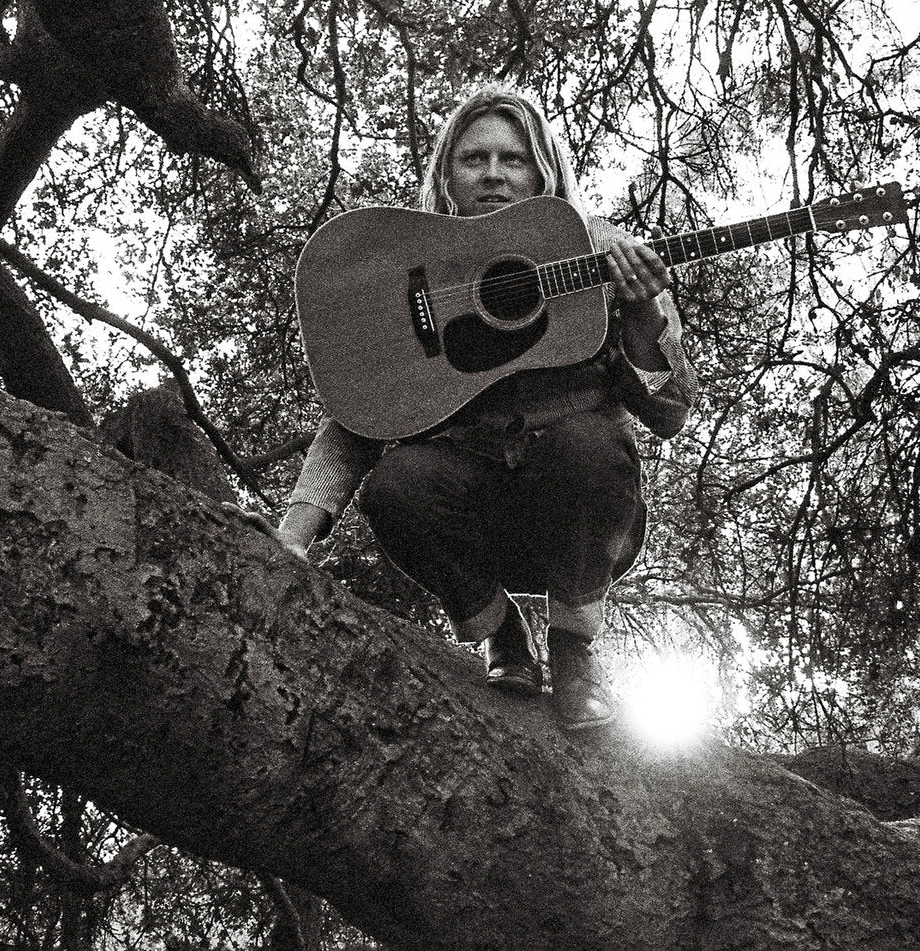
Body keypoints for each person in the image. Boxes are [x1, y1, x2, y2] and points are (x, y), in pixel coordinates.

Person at [277, 84, 695, 729]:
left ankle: (576, 653)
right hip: (471, 521)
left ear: (543, 173)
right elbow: (357, 412)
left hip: (581, 522)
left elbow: (669, 413)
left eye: (515, 158)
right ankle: (500, 633)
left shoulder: (606, 261)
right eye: (475, 159)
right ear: (446, 171)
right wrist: (292, 536)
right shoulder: (411, 270)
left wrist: (640, 308)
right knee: (396, 484)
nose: (495, 173)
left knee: (586, 445)